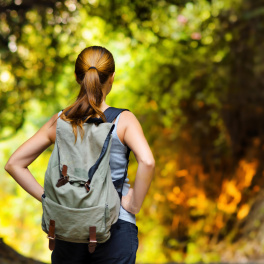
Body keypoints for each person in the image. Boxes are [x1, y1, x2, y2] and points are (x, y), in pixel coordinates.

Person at [4, 45, 155, 264]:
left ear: (77, 77)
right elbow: (147, 161)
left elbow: (14, 164)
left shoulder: (61, 120)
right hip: (115, 225)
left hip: (69, 226)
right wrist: (133, 204)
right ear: (111, 77)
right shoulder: (123, 120)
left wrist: (49, 200)